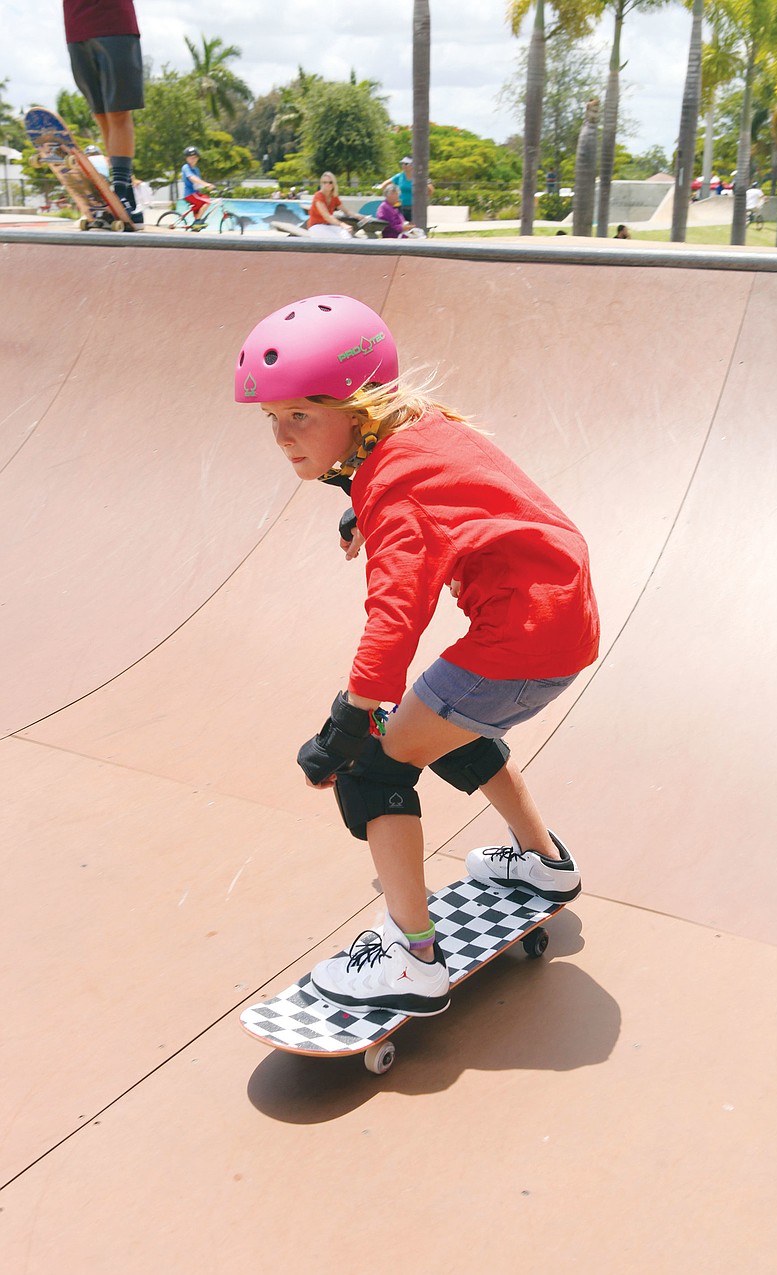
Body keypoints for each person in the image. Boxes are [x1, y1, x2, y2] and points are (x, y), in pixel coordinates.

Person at [234, 295, 600, 1015]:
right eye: (270, 417)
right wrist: (359, 500)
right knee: (439, 723)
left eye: (301, 415)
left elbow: (395, 619)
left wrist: (346, 724)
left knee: (374, 767)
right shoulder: (421, 431)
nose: (281, 436)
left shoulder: (396, 492)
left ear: (360, 409)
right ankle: (543, 863)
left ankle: (412, 956)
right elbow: (457, 490)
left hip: (517, 643)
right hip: (557, 621)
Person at [63, 0, 145, 225]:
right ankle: (118, 198)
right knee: (100, 114)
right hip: (76, 27)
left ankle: (121, 192)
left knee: (118, 111)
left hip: (114, 23)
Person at [306, 172, 363, 237]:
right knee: (336, 238)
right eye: (324, 182)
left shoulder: (334, 197)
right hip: (315, 227)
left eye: (330, 182)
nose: (327, 184)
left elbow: (346, 211)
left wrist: (359, 216)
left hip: (327, 225)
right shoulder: (318, 196)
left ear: (334, 183)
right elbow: (327, 216)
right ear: (321, 184)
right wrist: (343, 224)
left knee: (345, 233)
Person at [379, 156, 432, 222]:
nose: (403, 165)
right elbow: (384, 185)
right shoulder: (399, 176)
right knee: (400, 225)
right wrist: (390, 198)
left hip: (415, 208)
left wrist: (423, 201)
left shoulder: (419, 176)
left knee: (414, 226)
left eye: (406, 164)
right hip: (400, 206)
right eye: (402, 163)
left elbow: (430, 190)